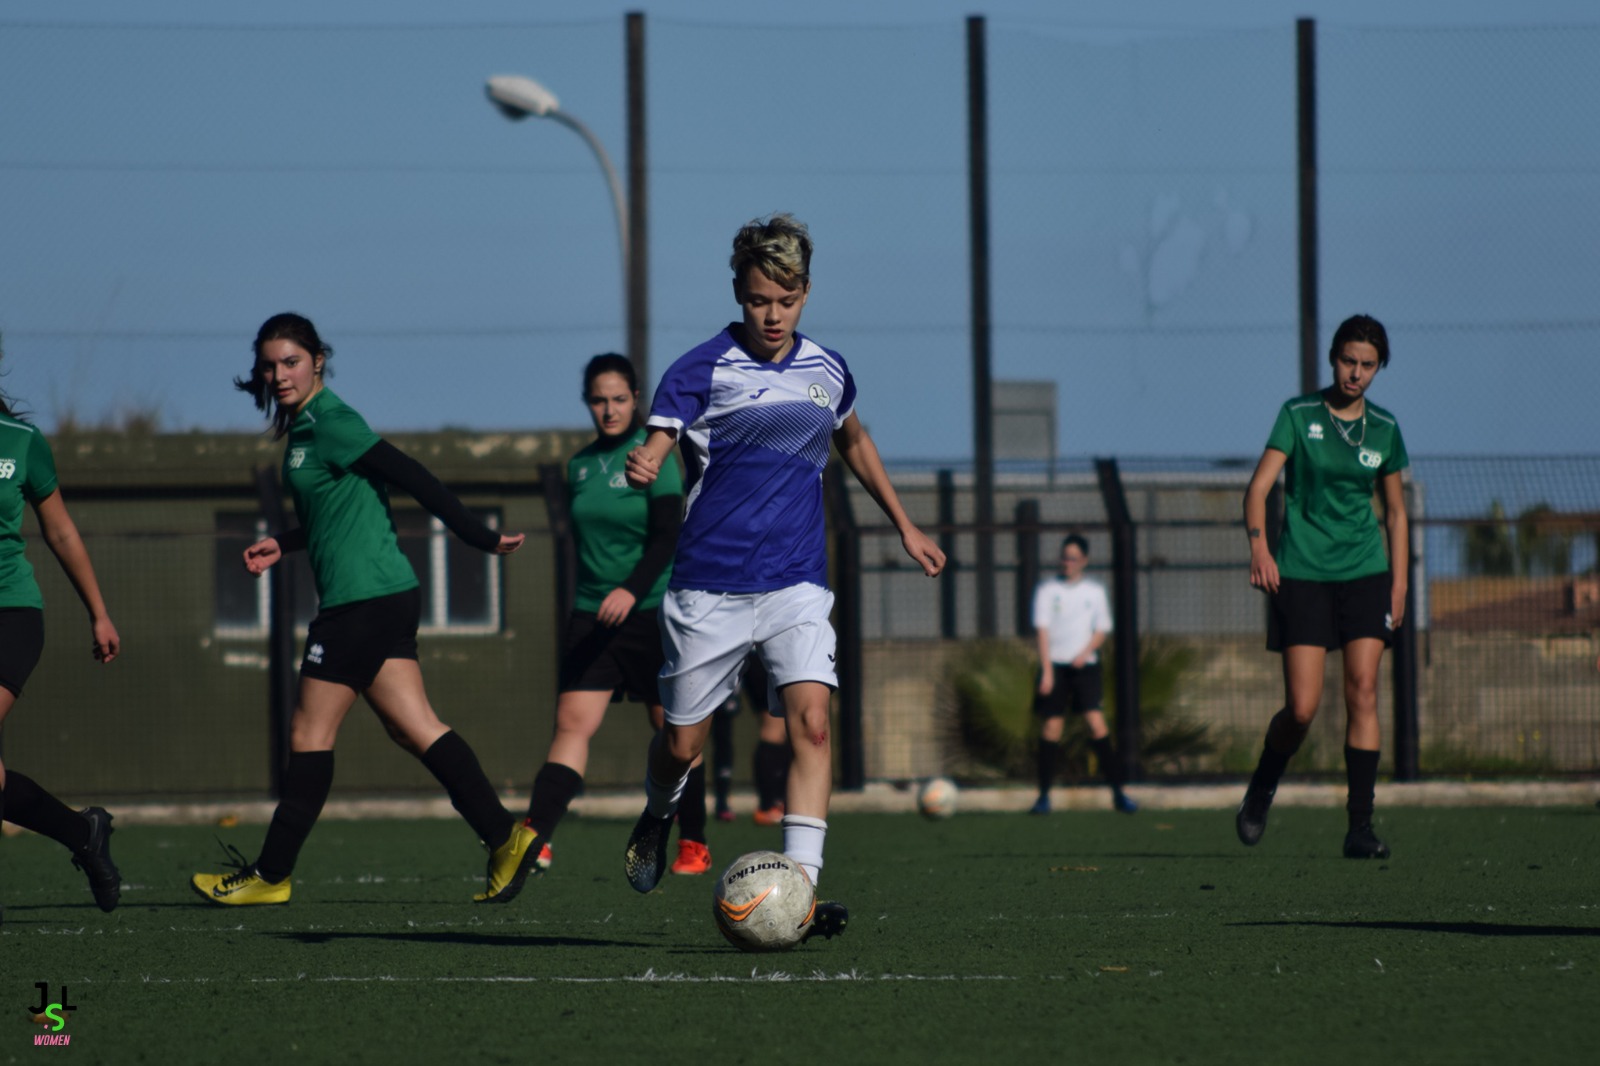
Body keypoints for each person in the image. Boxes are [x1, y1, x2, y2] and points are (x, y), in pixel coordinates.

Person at [619, 213, 945, 941]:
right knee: (682, 747)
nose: (773, 314)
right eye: (761, 298)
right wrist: (647, 457)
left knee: (814, 724)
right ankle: (659, 812)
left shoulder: (828, 370)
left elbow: (853, 440)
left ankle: (800, 892)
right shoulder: (701, 368)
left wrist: (905, 523)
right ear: (739, 291)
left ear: (806, 295)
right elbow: (661, 437)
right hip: (710, 587)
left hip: (796, 580)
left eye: (787, 300)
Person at [191, 313, 536, 906]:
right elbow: (334, 511)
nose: (279, 375)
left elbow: (410, 475)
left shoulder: (333, 420)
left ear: (318, 360)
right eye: (270, 365)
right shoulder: (303, 429)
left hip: (361, 604)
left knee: (309, 731)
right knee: (414, 726)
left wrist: (477, 536)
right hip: (384, 596)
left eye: (291, 362)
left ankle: (271, 874)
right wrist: (287, 541)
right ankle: (506, 837)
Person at [502, 353, 711, 892]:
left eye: (619, 399)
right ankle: (535, 838)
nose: (609, 409)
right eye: (599, 400)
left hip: (653, 612)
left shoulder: (654, 456)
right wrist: (605, 593)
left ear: (635, 400)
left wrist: (632, 589)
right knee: (571, 725)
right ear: (587, 402)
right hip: (593, 615)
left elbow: (668, 537)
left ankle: (692, 841)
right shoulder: (577, 467)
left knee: (674, 729)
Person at [1237, 313, 1409, 859]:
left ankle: (1360, 826)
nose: (1355, 373)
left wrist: (1399, 584)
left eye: (1367, 365)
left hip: (1365, 572)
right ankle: (1264, 783)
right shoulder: (1298, 414)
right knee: (1303, 709)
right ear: (1332, 358)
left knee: (1363, 689)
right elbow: (1259, 487)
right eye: (1347, 361)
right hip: (1303, 573)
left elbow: (1397, 515)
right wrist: (1260, 547)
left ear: (1379, 367)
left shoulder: (1384, 428)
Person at [0, 342, 123, 918]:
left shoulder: (21, 442)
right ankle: (83, 833)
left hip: (11, 615)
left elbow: (62, 531)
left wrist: (97, 611)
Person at [1028, 534, 1138, 816]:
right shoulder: (1047, 590)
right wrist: (1048, 672)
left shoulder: (1094, 592)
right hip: (1055, 667)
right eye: (1064, 557)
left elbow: (1102, 629)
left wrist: (1084, 652)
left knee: (1096, 725)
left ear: (1084, 561)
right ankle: (1043, 796)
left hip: (1085, 667)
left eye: (1073, 558)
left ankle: (1118, 793)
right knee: (1051, 728)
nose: (1067, 562)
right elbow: (1042, 630)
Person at [710, 654, 790, 824]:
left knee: (775, 727)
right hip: (757, 652)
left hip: (733, 650)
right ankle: (769, 805)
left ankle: (770, 804)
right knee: (775, 727)